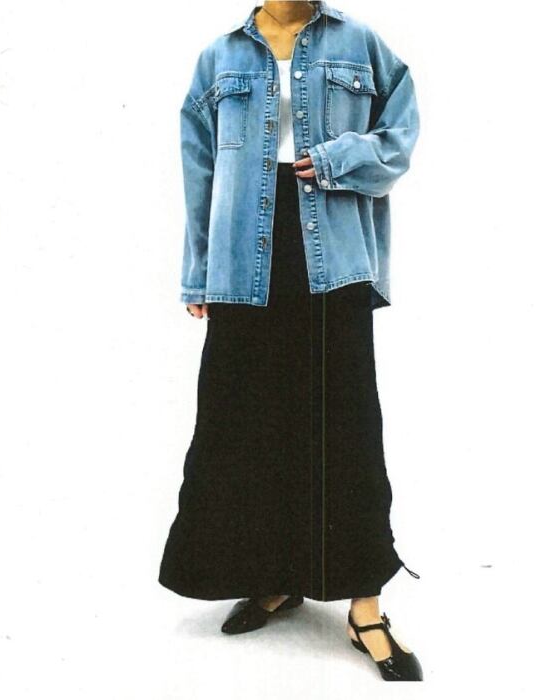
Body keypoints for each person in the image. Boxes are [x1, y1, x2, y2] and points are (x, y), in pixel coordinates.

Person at [158, 0, 422, 681]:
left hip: (332, 251)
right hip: (241, 257)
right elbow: (197, 169)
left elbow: (400, 130)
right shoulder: (219, 56)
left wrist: (340, 158)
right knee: (247, 427)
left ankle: (365, 607)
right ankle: (275, 575)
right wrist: (197, 273)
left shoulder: (360, 41)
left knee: (345, 429)